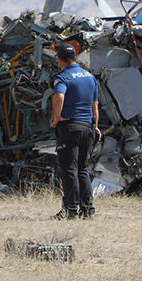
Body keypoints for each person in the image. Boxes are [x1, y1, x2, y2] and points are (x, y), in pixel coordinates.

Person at [49, 42, 99, 219]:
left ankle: (71, 210)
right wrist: (95, 126)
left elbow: (59, 96)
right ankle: (88, 210)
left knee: (69, 169)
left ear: (61, 60)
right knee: (82, 169)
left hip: (70, 127)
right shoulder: (89, 77)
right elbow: (95, 105)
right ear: (75, 58)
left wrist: (56, 117)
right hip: (87, 127)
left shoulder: (63, 77)